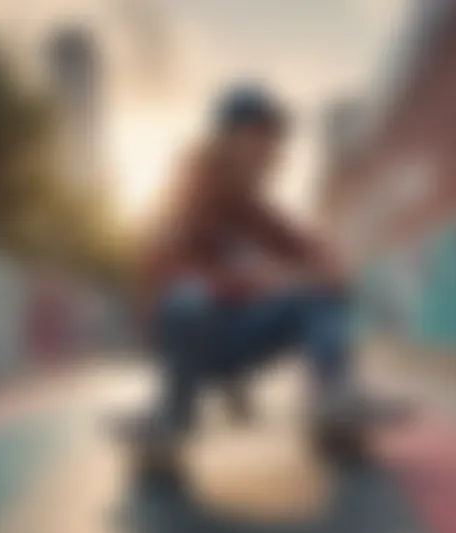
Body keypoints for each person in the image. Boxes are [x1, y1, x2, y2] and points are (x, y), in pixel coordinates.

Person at [136, 83, 354, 453]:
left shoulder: (250, 206)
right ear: (229, 139)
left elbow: (304, 249)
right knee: (186, 299)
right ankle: (175, 411)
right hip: (190, 340)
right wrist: (253, 281)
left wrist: (326, 267)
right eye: (261, 137)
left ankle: (331, 399)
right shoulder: (185, 190)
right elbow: (165, 274)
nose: (271, 150)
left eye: (274, 140)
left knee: (320, 293)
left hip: (234, 340)